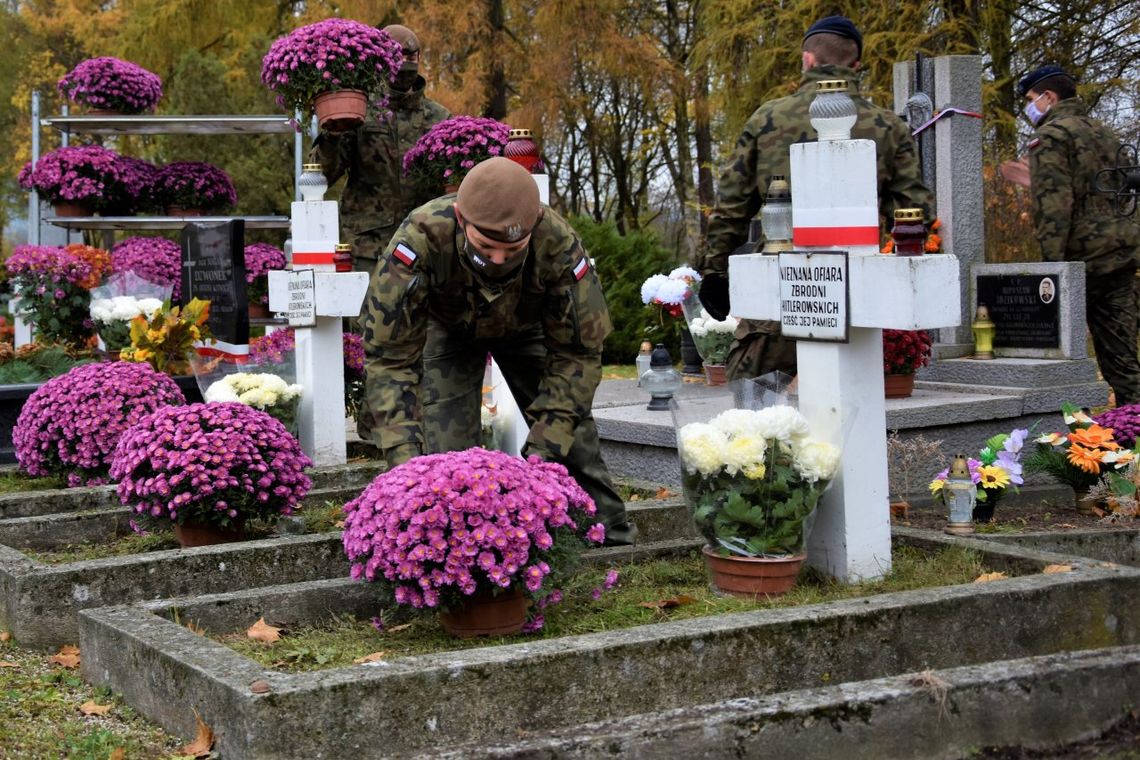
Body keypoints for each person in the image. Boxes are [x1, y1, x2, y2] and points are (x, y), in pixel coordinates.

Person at [358, 157, 636, 546]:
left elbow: (578, 355)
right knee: (445, 453)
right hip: (449, 329)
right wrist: (404, 461)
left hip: (527, 326)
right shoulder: (420, 237)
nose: (498, 259)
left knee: (571, 434)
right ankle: (454, 547)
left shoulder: (558, 243)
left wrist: (542, 455)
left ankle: (605, 528)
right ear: (460, 218)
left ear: (535, 225)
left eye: (513, 248)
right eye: (486, 246)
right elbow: (389, 359)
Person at [698, 15, 934, 380]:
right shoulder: (888, 126)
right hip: (858, 289)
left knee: (756, 401)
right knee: (849, 396)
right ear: (856, 65)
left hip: (783, 285)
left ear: (807, 59)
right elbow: (914, 214)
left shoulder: (768, 118)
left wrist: (715, 271)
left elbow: (731, 207)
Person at [1017, 65, 1140, 405]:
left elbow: (1054, 207)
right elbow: (1122, 191)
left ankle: (1080, 432)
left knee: (1062, 359)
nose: (1029, 107)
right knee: (1122, 360)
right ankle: (1133, 427)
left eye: (1031, 99)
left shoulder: (1051, 137)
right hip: (1121, 254)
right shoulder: (1105, 132)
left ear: (1049, 97)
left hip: (1081, 261)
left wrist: (1051, 269)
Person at [310, 23, 450, 274]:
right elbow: (320, 176)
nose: (405, 63)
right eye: (398, 56)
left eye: (411, 57)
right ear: (381, 58)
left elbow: (453, 182)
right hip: (368, 248)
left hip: (426, 244)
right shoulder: (358, 110)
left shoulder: (439, 118)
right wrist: (333, 133)